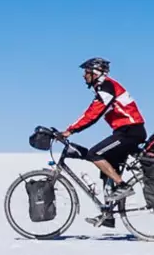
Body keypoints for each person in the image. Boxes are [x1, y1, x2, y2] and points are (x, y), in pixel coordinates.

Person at [54, 57, 146, 227]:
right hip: (125, 131)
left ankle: (123, 186)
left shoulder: (106, 87)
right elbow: (92, 111)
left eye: (86, 72)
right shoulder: (103, 87)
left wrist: (70, 130)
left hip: (130, 131)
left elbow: (93, 114)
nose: (84, 76)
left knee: (94, 154)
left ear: (95, 73)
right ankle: (108, 214)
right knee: (107, 168)